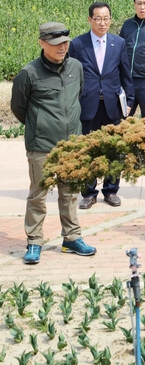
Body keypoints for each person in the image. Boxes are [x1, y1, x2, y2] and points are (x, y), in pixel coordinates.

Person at [11, 22, 97, 264]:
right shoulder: (29, 73)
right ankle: (34, 241)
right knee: (38, 194)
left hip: (71, 145)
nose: (63, 47)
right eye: (57, 44)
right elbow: (19, 108)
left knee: (70, 193)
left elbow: (78, 96)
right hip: (41, 146)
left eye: (66, 43)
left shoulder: (76, 67)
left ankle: (71, 238)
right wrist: (40, 125)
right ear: (42, 43)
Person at [69, 1, 135, 210]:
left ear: (110, 20)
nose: (102, 23)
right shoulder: (78, 44)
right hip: (87, 106)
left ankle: (111, 190)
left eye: (106, 18)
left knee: (114, 150)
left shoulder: (119, 43)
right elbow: (71, 77)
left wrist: (130, 102)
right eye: (98, 18)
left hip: (113, 106)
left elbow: (126, 74)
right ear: (90, 20)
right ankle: (88, 193)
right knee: (87, 149)